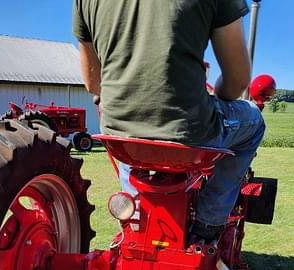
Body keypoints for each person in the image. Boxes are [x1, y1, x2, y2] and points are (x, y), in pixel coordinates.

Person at [72, 0, 265, 242]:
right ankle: (210, 220)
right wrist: (220, 97)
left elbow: (92, 82)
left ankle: (137, 217)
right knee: (254, 121)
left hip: (120, 136)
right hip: (190, 131)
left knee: (127, 132)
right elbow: (237, 81)